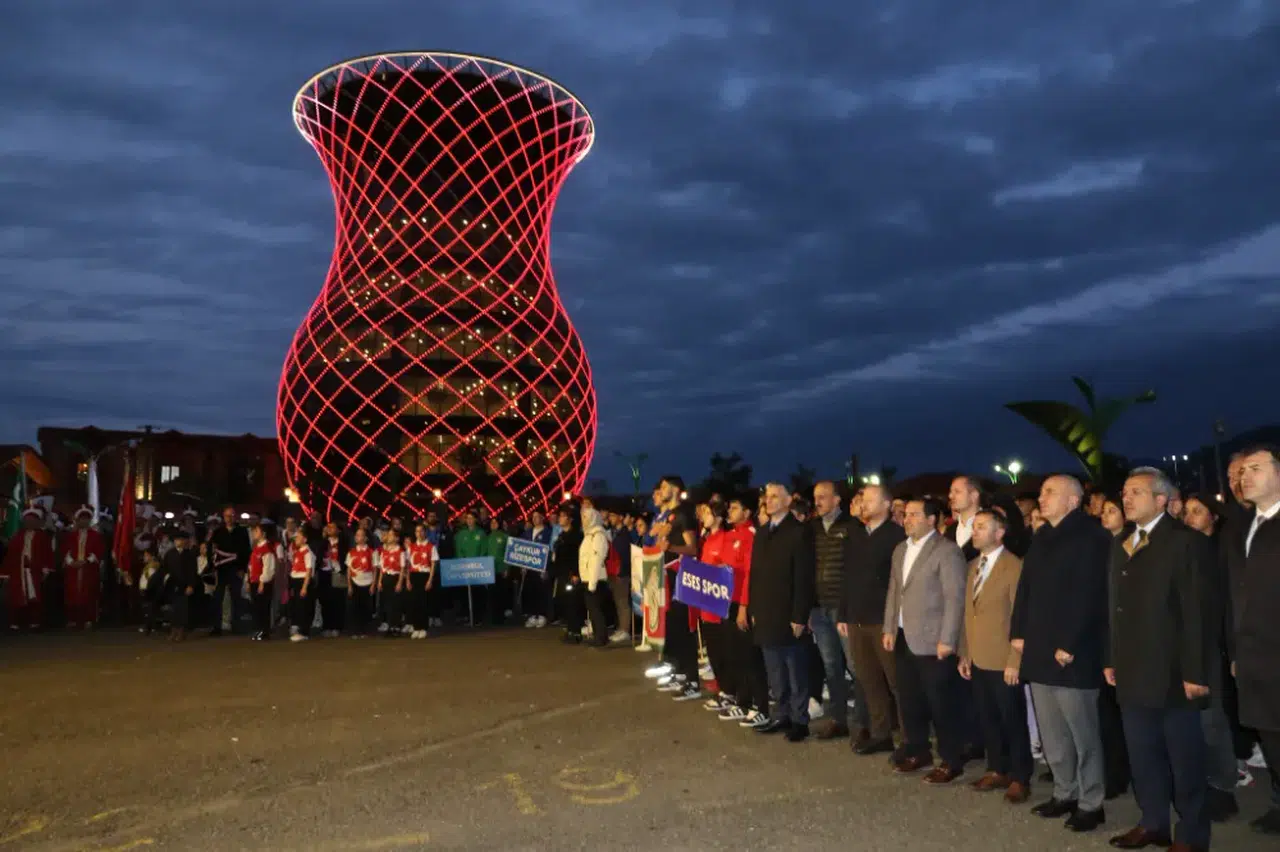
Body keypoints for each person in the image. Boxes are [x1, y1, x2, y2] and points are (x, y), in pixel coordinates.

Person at [1105, 467, 1213, 852]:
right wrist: (1110, 657)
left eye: (1136, 492)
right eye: (1124, 492)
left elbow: (1197, 613)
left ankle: (1192, 834)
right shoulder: (1121, 543)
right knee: (1143, 755)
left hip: (1173, 673)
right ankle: (1153, 823)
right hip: (1132, 671)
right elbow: (1113, 607)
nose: (1126, 499)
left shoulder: (1184, 543)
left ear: (1162, 500)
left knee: (1184, 761)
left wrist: (1196, 671)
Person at [1010, 475, 1111, 832]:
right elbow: (1026, 589)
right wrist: (1018, 633)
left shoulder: (1091, 536)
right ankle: (1064, 791)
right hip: (1038, 650)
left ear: (1073, 499)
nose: (1042, 498)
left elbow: (1091, 594)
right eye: (1041, 493)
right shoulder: (1043, 537)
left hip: (1072, 653)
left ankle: (1091, 801)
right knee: (1053, 733)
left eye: (1049, 492)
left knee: (1082, 732)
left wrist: (1070, 642)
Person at [882, 498, 968, 783]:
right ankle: (918, 750)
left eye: (914, 515)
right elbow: (895, 590)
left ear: (932, 520)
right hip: (906, 637)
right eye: (905, 515)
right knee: (910, 700)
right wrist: (890, 628)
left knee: (941, 703)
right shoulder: (899, 550)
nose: (907, 519)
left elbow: (955, 597)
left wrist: (948, 638)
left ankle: (951, 759)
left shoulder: (947, 551)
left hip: (934, 641)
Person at [958, 509, 1032, 802]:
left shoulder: (1013, 567)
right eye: (974, 527)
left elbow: (1020, 617)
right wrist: (964, 653)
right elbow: (968, 613)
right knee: (987, 717)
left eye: (981, 527)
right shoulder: (973, 565)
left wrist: (1015, 660)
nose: (974, 532)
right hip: (978, 656)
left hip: (1004, 659)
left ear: (999, 533)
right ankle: (996, 768)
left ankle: (1020, 775)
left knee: (1012, 719)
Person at [839, 483, 907, 755]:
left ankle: (910, 737)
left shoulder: (896, 537)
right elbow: (848, 576)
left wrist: (893, 620)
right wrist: (844, 612)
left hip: (883, 620)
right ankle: (881, 734)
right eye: (862, 500)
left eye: (869, 500)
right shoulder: (855, 534)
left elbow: (899, 582)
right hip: (856, 618)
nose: (863, 504)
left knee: (897, 681)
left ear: (887, 505)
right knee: (868, 679)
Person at [1234, 445, 1280, 835]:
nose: (1244, 476)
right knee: (1270, 736)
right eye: (1242, 470)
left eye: (1256, 468)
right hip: (1254, 655)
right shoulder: (1246, 524)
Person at [749, 482, 817, 742]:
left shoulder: (799, 532)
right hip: (766, 611)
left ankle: (800, 720)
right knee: (774, 669)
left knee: (795, 669)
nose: (770, 500)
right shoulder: (763, 533)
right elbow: (756, 574)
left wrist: (800, 616)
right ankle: (781, 715)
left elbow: (804, 577)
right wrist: (754, 607)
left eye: (776, 496)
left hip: (788, 613)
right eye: (767, 496)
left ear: (789, 501)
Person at [808, 481, 860, 739]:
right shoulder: (812, 529)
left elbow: (855, 570)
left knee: (855, 666)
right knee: (831, 667)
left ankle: (864, 722)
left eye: (823, 497)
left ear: (837, 500)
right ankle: (838, 720)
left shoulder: (851, 527)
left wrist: (848, 609)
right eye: (815, 497)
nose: (817, 502)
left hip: (843, 609)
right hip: (819, 608)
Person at [3, 508, 54, 629]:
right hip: (18, 572)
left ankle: (34, 622)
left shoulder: (42, 537)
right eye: (27, 520)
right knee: (17, 597)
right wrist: (6, 573)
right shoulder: (17, 536)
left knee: (34, 597)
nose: (29, 523)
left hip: (34, 571)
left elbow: (47, 553)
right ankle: (16, 623)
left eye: (32, 520)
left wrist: (45, 569)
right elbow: (10, 555)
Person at [209, 507, 251, 636]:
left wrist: (242, 569)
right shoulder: (218, 532)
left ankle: (236, 626)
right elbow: (213, 552)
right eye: (227, 516)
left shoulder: (242, 531)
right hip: (221, 570)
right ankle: (217, 627)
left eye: (232, 515)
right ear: (223, 516)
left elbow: (246, 551)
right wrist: (213, 569)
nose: (230, 518)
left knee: (236, 599)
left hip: (235, 569)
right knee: (218, 599)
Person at [62, 506, 104, 629]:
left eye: (87, 519)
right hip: (72, 569)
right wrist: (71, 562)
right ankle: (73, 619)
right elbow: (65, 550)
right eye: (81, 519)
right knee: (71, 594)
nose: (84, 522)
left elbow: (99, 551)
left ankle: (88, 619)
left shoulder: (95, 535)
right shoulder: (70, 535)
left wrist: (85, 561)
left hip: (88, 569)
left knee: (89, 594)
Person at [576, 505, 611, 649]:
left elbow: (597, 560)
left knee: (596, 609)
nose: (583, 520)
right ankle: (598, 635)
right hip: (588, 578)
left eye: (586, 517)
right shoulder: (589, 535)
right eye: (583, 517)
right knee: (593, 609)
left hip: (595, 579)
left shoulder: (598, 536)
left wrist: (592, 583)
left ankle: (601, 637)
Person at [162, 528, 200, 642]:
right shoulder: (170, 554)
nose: (179, 542)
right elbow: (164, 570)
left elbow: (193, 572)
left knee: (183, 608)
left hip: (185, 585)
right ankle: (173, 630)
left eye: (182, 540)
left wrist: (191, 585)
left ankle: (181, 631)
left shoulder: (190, 554)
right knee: (173, 609)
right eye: (177, 540)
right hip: (172, 585)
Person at [406, 523, 439, 639]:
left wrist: (430, 580)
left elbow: (433, 564)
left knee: (424, 602)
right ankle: (416, 627)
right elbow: (408, 565)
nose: (419, 533)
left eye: (421, 531)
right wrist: (408, 580)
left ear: (425, 532)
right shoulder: (411, 547)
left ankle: (424, 627)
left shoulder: (431, 546)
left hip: (425, 575)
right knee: (414, 603)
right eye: (417, 531)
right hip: (414, 575)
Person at [246, 524, 277, 642]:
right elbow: (250, 566)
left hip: (263, 582)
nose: (254, 533)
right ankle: (259, 630)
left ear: (263, 533)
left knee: (263, 607)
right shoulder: (256, 548)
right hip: (254, 581)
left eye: (257, 531)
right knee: (257, 608)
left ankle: (264, 631)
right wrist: (248, 581)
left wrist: (262, 582)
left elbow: (268, 567)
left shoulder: (267, 548)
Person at [345, 527, 377, 638]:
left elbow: (375, 569)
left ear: (366, 538)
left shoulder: (372, 552)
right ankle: (355, 630)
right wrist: (349, 585)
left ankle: (365, 630)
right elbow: (348, 569)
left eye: (361, 535)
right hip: (355, 582)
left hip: (367, 583)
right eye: (357, 535)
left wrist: (373, 584)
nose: (358, 537)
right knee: (355, 607)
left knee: (366, 608)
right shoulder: (351, 552)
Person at [376, 528, 408, 636]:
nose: (389, 537)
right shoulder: (384, 551)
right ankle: (390, 626)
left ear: (396, 538)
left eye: (391, 535)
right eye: (388, 535)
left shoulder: (400, 551)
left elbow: (403, 568)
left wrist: (399, 582)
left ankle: (397, 626)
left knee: (396, 603)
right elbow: (382, 568)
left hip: (396, 577)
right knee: (387, 603)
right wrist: (380, 581)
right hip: (386, 577)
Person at [287, 529, 315, 643]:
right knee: (296, 606)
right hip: (296, 580)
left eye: (298, 537)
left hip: (303, 581)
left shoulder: (308, 553)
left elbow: (309, 571)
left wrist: (304, 587)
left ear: (305, 539)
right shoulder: (298, 552)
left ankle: (304, 632)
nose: (296, 540)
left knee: (304, 607)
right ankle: (297, 628)